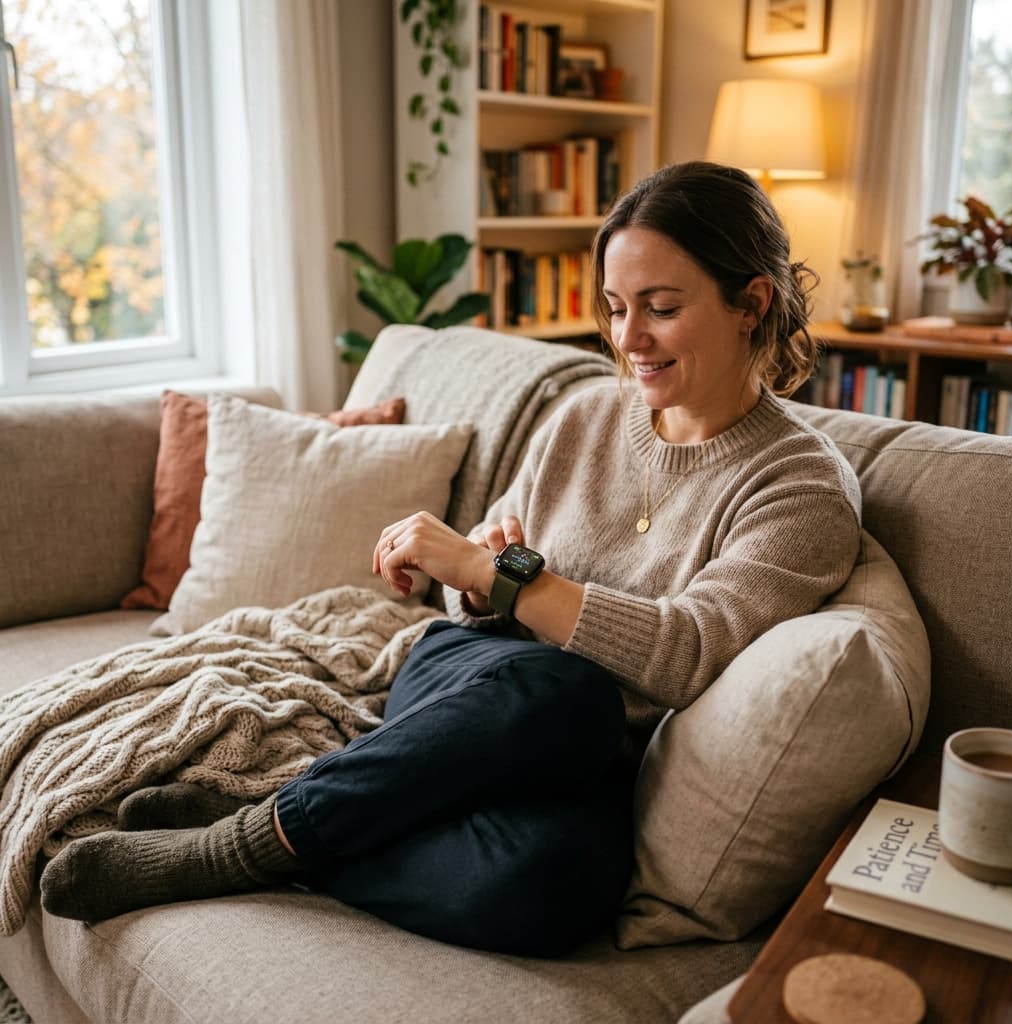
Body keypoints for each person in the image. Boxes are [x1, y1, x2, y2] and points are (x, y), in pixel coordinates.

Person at [40, 161, 861, 957]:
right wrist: (486, 584)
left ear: (751, 302)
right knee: (565, 690)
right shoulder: (586, 420)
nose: (628, 338)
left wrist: (505, 578)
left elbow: (685, 654)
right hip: (473, 688)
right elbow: (467, 595)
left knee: (553, 885)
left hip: (586, 760)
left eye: (661, 307)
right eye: (615, 307)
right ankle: (230, 851)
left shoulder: (799, 486)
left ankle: (288, 822)